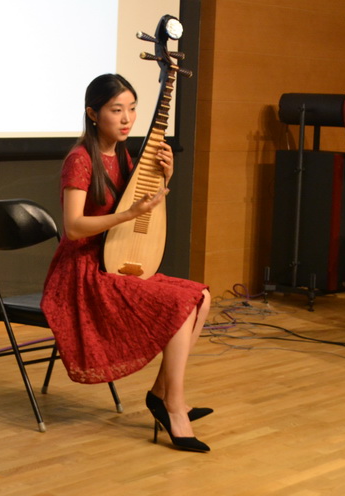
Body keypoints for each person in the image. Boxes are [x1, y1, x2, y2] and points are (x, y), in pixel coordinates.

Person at [41, 73, 213, 453]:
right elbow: (73, 227)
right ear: (93, 114)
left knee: (201, 298)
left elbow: (143, 207)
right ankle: (173, 407)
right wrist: (129, 213)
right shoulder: (80, 160)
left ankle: (160, 395)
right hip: (82, 272)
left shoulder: (124, 156)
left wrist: (166, 176)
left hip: (115, 258)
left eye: (132, 109)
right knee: (179, 304)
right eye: (116, 110)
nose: (126, 119)